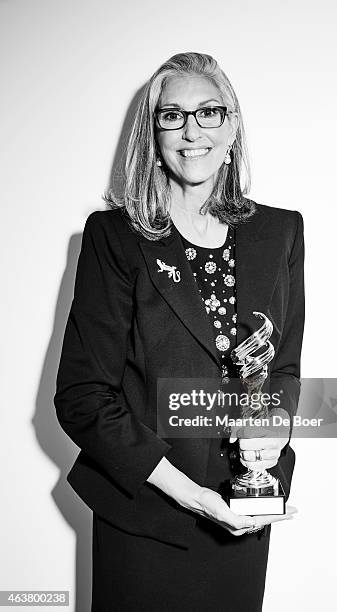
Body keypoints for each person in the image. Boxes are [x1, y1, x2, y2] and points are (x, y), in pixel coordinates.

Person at [54, 51, 305, 612]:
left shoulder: (280, 232)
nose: (192, 131)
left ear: (233, 126)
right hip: (147, 518)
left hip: (243, 516)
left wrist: (276, 428)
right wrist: (192, 497)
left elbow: (282, 368)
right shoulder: (114, 237)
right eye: (172, 115)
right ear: (154, 131)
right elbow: (82, 397)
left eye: (209, 112)